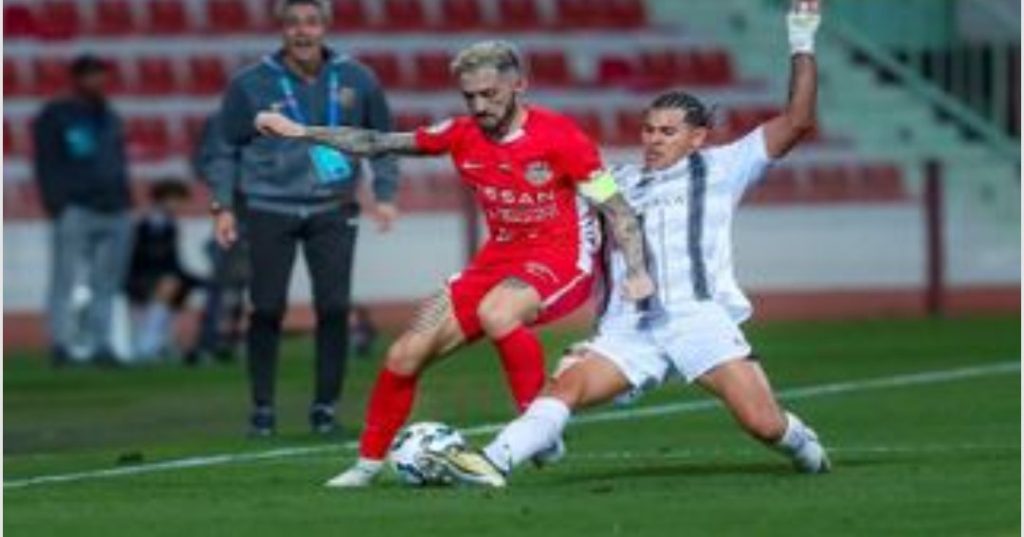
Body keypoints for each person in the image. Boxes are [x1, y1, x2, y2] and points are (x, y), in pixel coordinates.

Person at [428, 0, 830, 488]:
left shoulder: (723, 167)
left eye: (668, 132)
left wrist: (802, 37)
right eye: (648, 129)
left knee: (763, 424)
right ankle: (491, 462)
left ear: (697, 137)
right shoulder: (614, 181)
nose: (654, 139)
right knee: (566, 386)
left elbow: (798, 121)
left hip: (696, 318)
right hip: (629, 328)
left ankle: (803, 445)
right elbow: (555, 216)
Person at [255, 40, 655, 487]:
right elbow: (377, 143)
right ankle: (366, 466)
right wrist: (301, 132)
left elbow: (618, 209)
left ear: (519, 85)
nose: (480, 106)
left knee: (497, 312)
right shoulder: (460, 133)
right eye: (470, 96)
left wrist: (638, 272)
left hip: (560, 259)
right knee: (405, 353)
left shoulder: (561, 137)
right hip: (495, 261)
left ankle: (538, 431)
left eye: (490, 94)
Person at [213, 0, 401, 436]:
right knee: (266, 308)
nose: (303, 31)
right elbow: (223, 147)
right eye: (294, 23)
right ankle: (262, 409)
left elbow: (381, 140)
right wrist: (222, 205)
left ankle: (325, 409)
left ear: (325, 26)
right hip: (268, 206)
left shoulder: (357, 78)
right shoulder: (250, 83)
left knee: (334, 308)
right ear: (281, 28)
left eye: (312, 22)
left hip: (333, 207)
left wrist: (386, 194)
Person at [32, 54, 133, 366]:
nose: (97, 80)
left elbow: (118, 161)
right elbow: (45, 161)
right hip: (76, 207)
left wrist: (125, 199)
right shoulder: (57, 116)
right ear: (77, 79)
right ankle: (61, 343)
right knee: (65, 278)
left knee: (107, 281)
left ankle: (102, 343)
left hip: (114, 207)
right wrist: (56, 203)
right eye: (91, 75)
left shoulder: (109, 116)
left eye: (100, 74)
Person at [187, 112, 248, 366]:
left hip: (266, 206)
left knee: (247, 279)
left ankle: (230, 339)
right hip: (234, 206)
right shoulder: (222, 121)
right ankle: (210, 340)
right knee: (223, 278)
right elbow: (202, 163)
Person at [125, 179, 202, 360]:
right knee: (169, 285)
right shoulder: (144, 224)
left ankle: (162, 342)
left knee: (182, 288)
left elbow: (173, 261)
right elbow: (138, 257)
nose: (178, 205)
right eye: (176, 200)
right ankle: (147, 344)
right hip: (140, 276)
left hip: (163, 277)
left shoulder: (170, 225)